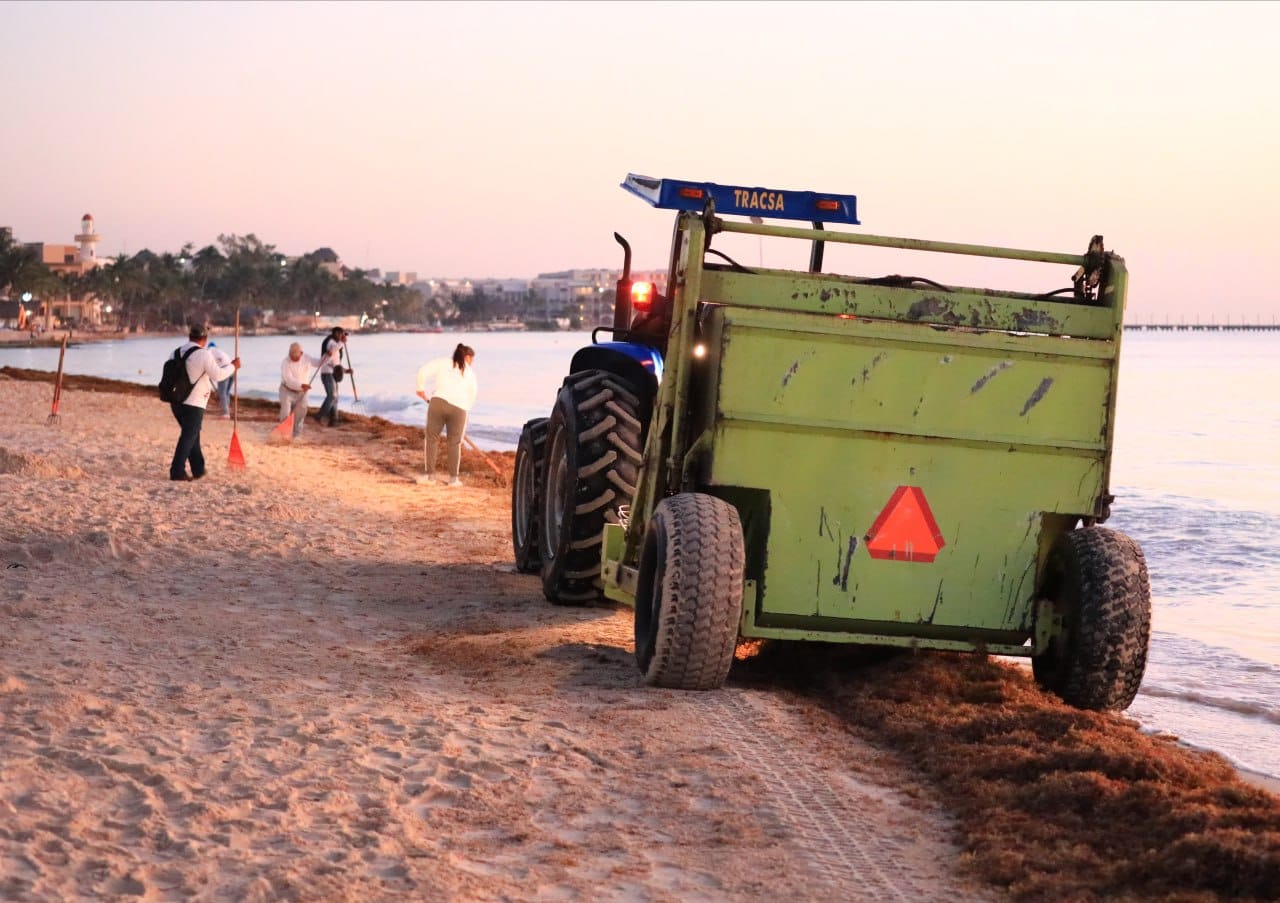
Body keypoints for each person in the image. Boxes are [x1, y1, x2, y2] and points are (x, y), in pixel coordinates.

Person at [169, 323, 240, 481]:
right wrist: (233, 366)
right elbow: (219, 375)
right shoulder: (203, 354)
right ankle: (176, 471)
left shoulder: (175, 352)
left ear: (190, 336)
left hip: (175, 401)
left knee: (193, 435)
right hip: (194, 403)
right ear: (205, 339)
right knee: (188, 436)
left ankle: (198, 469)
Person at [415, 343, 477, 486]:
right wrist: (465, 411)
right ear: (467, 357)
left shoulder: (443, 362)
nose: (471, 364)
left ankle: (430, 477)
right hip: (459, 408)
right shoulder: (469, 372)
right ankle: (453, 480)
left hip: (438, 403)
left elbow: (423, 370)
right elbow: (472, 393)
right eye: (472, 360)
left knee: (432, 439)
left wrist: (420, 388)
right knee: (454, 443)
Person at [278, 342, 323, 439]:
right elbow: (289, 380)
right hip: (287, 390)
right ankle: (283, 433)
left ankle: (296, 434)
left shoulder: (307, 358)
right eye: (291, 355)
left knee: (301, 412)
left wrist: (327, 355)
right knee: (285, 411)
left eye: (296, 356)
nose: (293, 358)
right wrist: (301, 385)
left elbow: (319, 363)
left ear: (301, 353)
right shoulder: (285, 362)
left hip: (302, 392)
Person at [317, 327, 351, 427]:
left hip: (333, 373)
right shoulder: (330, 341)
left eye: (344, 335)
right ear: (336, 333)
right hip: (327, 373)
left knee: (335, 398)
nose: (343, 336)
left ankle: (334, 420)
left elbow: (336, 364)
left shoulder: (337, 344)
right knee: (332, 396)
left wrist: (345, 371)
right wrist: (342, 343)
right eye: (342, 334)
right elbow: (332, 350)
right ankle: (320, 416)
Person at [207, 340, 233, 419]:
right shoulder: (221, 352)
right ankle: (226, 410)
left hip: (224, 369)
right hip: (232, 369)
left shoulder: (209, 351)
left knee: (222, 393)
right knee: (226, 392)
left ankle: (225, 413)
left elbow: (208, 364)